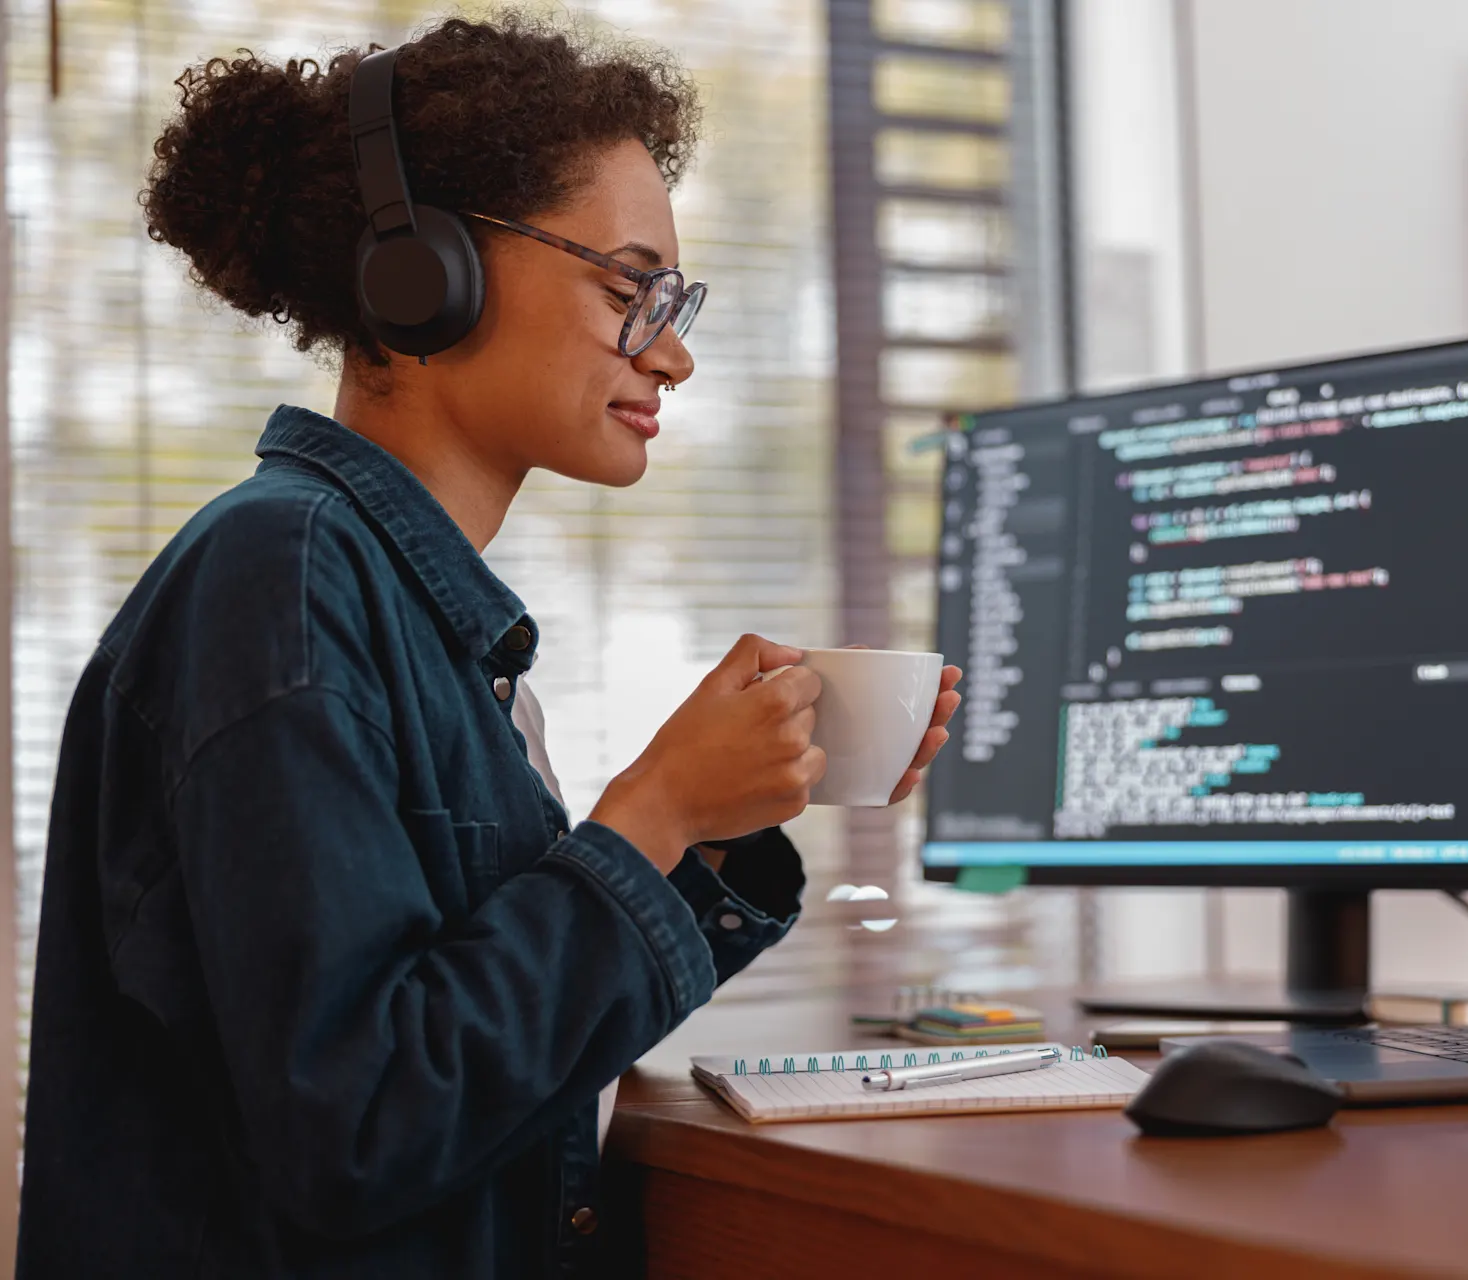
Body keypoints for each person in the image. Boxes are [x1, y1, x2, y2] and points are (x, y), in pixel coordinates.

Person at [16, 14, 961, 1279]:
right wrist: (653, 810)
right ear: (425, 271)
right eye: (628, 290)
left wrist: (713, 829)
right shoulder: (281, 577)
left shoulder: (400, 606)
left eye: (673, 303)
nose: (674, 354)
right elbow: (360, 1122)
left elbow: (482, 1053)